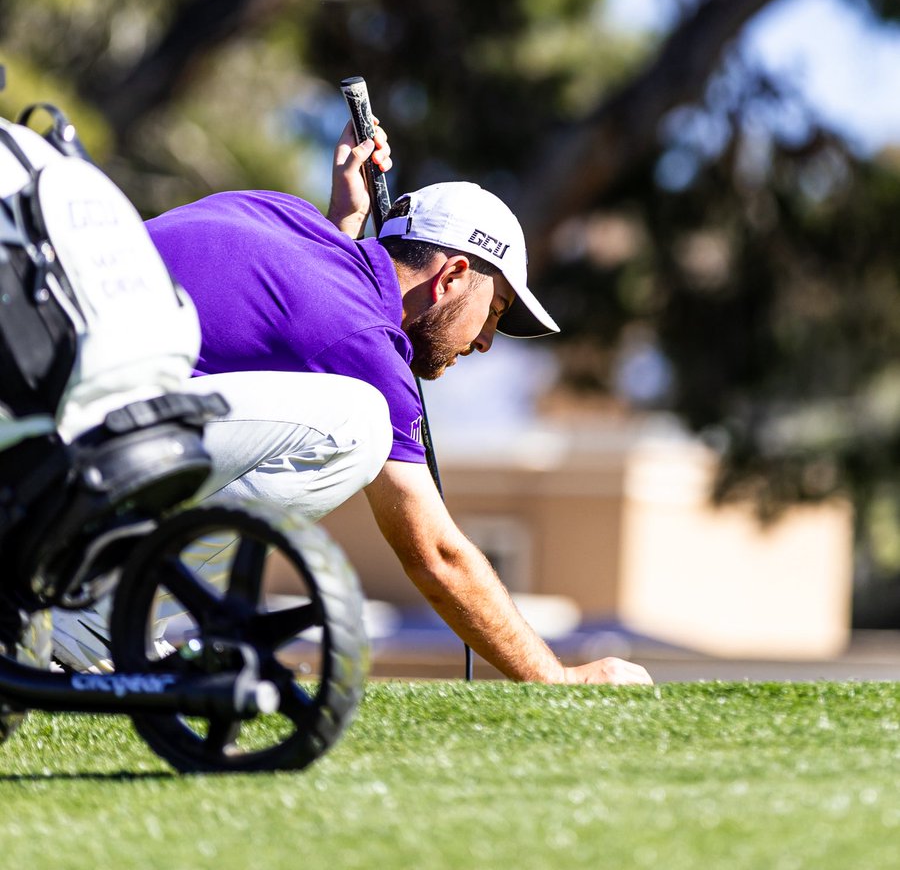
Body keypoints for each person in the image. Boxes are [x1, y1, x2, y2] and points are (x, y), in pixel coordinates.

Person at [54, 122, 652, 686]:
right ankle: (95, 612)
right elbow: (436, 555)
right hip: (75, 457)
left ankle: (89, 597)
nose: (486, 340)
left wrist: (345, 220)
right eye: (491, 312)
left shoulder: (281, 212)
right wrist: (556, 676)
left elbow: (289, 321)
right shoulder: (365, 346)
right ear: (451, 278)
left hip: (43, 425)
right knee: (357, 424)